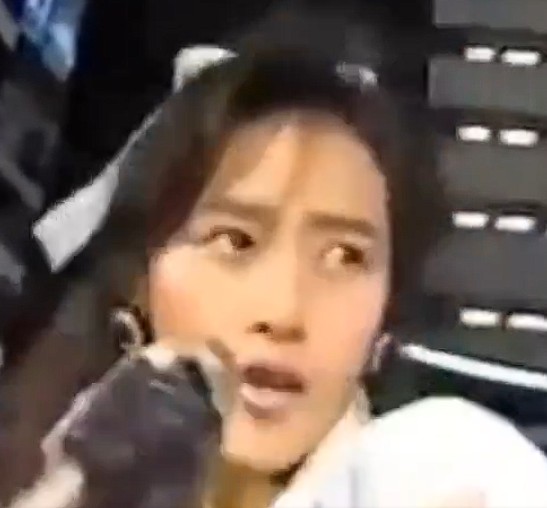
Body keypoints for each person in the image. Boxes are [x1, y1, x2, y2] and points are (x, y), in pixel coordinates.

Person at [6, 30, 547, 508]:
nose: (283, 311)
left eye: (346, 256)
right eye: (234, 241)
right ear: (139, 282)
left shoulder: (441, 471)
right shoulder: (69, 472)